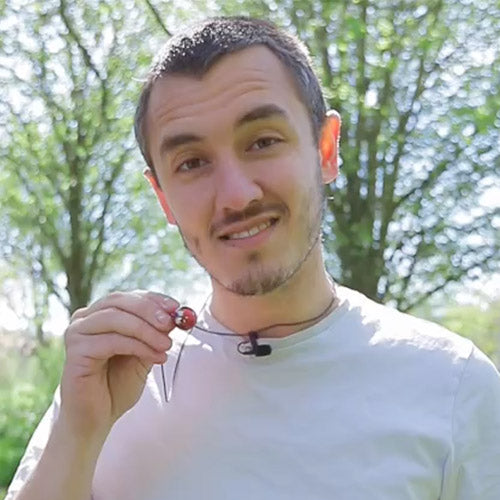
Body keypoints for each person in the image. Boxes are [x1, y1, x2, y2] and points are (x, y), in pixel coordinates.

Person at [6, 16, 500, 500]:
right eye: (192, 163)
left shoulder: (454, 386)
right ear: (162, 197)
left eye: (263, 141)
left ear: (325, 149)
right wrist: (78, 432)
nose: (236, 196)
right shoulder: (109, 388)